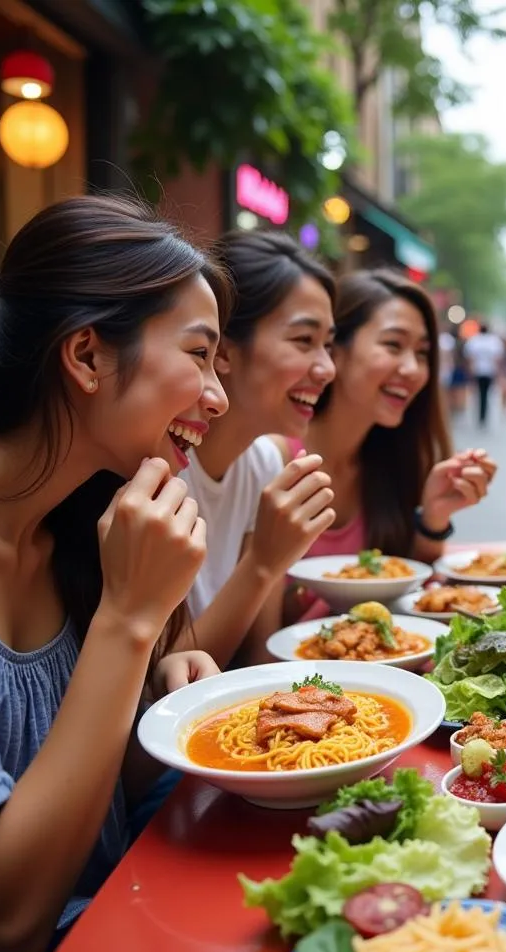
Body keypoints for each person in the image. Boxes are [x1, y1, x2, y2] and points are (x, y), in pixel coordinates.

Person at [0, 195, 227, 952]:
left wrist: (163, 690)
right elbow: (14, 917)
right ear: (87, 355)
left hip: (136, 943)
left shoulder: (92, 532)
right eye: (199, 356)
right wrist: (127, 624)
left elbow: (102, 811)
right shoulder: (118, 568)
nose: (217, 396)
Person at [282, 270, 496, 620]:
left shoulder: (389, 459)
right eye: (393, 345)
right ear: (335, 349)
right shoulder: (274, 459)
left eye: (423, 353)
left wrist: (433, 518)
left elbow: (411, 592)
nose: (413, 369)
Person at [180, 232, 337, 668]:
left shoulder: (265, 462)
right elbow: (164, 684)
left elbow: (257, 659)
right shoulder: (163, 470)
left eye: (328, 343)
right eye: (304, 340)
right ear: (224, 350)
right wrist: (263, 563)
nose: (326, 368)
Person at [464, 322, 504, 428]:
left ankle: (481, 415)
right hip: (488, 371)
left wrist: (470, 370)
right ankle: (483, 415)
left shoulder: (474, 340)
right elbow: (497, 359)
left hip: (479, 371)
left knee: (480, 394)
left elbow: (470, 358)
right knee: (485, 394)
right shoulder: (494, 341)